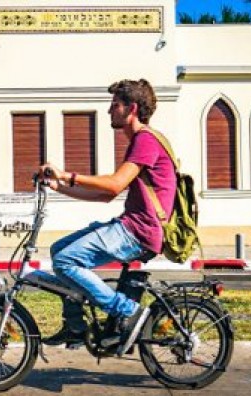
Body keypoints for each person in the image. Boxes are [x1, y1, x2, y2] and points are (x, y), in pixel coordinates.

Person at [39, 79, 177, 348]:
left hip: (140, 231)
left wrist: (68, 174)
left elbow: (114, 183)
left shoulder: (145, 140)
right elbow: (107, 195)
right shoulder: (139, 141)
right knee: (59, 250)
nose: (108, 111)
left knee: (67, 261)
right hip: (131, 226)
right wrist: (59, 187)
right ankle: (76, 327)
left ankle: (127, 311)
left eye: (115, 105)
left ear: (132, 109)